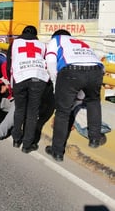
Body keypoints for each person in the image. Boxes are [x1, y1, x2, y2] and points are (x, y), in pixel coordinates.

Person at [44, 29, 106, 162]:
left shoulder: (56, 40)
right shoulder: (81, 43)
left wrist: (56, 83)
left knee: (62, 112)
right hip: (96, 70)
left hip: (71, 71)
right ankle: (94, 139)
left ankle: (57, 151)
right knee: (93, 103)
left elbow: (50, 62)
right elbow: (100, 65)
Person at [7, 25, 49, 153]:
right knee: (32, 113)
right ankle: (27, 145)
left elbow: (9, 63)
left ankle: (16, 139)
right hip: (38, 78)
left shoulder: (15, 43)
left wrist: (11, 81)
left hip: (20, 77)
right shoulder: (42, 45)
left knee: (19, 110)